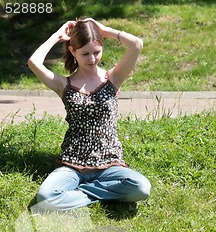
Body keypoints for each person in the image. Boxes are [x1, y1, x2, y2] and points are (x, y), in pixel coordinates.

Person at [28, 18, 151, 211]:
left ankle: (79, 194)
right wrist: (57, 37)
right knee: (46, 197)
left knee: (141, 188)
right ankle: (100, 193)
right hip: (73, 165)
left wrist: (104, 30)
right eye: (85, 53)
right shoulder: (64, 85)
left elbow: (136, 44)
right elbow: (34, 62)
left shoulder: (113, 78)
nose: (92, 59)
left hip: (109, 164)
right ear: (73, 51)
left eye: (96, 52)